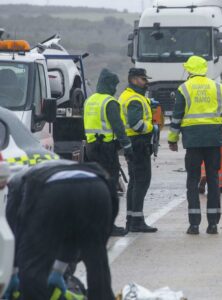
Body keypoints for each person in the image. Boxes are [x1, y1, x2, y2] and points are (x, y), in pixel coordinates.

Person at [3, 160, 117, 300]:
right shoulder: (51, 167)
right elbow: (72, 234)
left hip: (53, 191)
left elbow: (14, 232)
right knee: (97, 261)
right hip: (98, 186)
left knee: (32, 269)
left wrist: (13, 272)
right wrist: (58, 269)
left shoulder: (15, 183)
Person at [168, 55, 222, 235]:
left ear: (189, 70)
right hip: (214, 140)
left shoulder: (184, 88)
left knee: (192, 181)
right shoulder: (218, 87)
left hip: (192, 142)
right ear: (205, 69)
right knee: (213, 180)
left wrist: (172, 139)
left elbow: (176, 118)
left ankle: (194, 225)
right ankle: (213, 224)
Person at [84, 68, 133, 237]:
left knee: (96, 186)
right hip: (106, 149)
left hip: (91, 149)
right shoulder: (110, 102)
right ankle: (109, 225)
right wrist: (127, 146)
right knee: (110, 188)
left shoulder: (89, 101)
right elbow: (118, 127)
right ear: (109, 84)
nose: (115, 88)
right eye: (114, 85)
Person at [118, 68, 157, 233]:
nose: (146, 82)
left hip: (132, 143)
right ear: (133, 79)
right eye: (142, 79)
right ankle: (137, 222)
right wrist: (151, 127)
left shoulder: (129, 95)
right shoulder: (134, 99)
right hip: (138, 143)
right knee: (142, 181)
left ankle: (132, 219)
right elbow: (136, 124)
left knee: (135, 182)